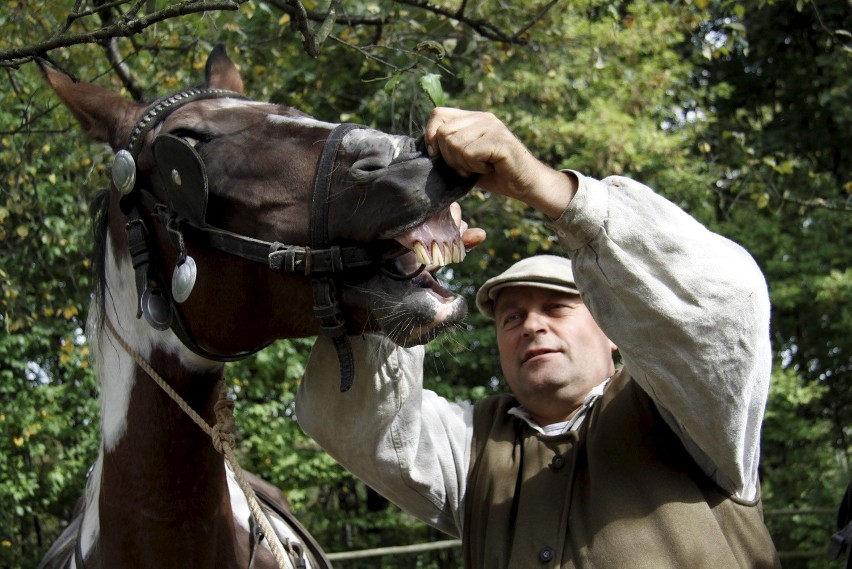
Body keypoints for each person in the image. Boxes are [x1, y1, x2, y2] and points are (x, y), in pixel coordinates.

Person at [296, 108, 781, 568]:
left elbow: (725, 306)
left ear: (611, 328)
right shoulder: (472, 447)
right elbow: (351, 422)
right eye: (511, 318)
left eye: (556, 308)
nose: (531, 325)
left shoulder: (688, 410)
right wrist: (396, 260)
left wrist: (553, 191)